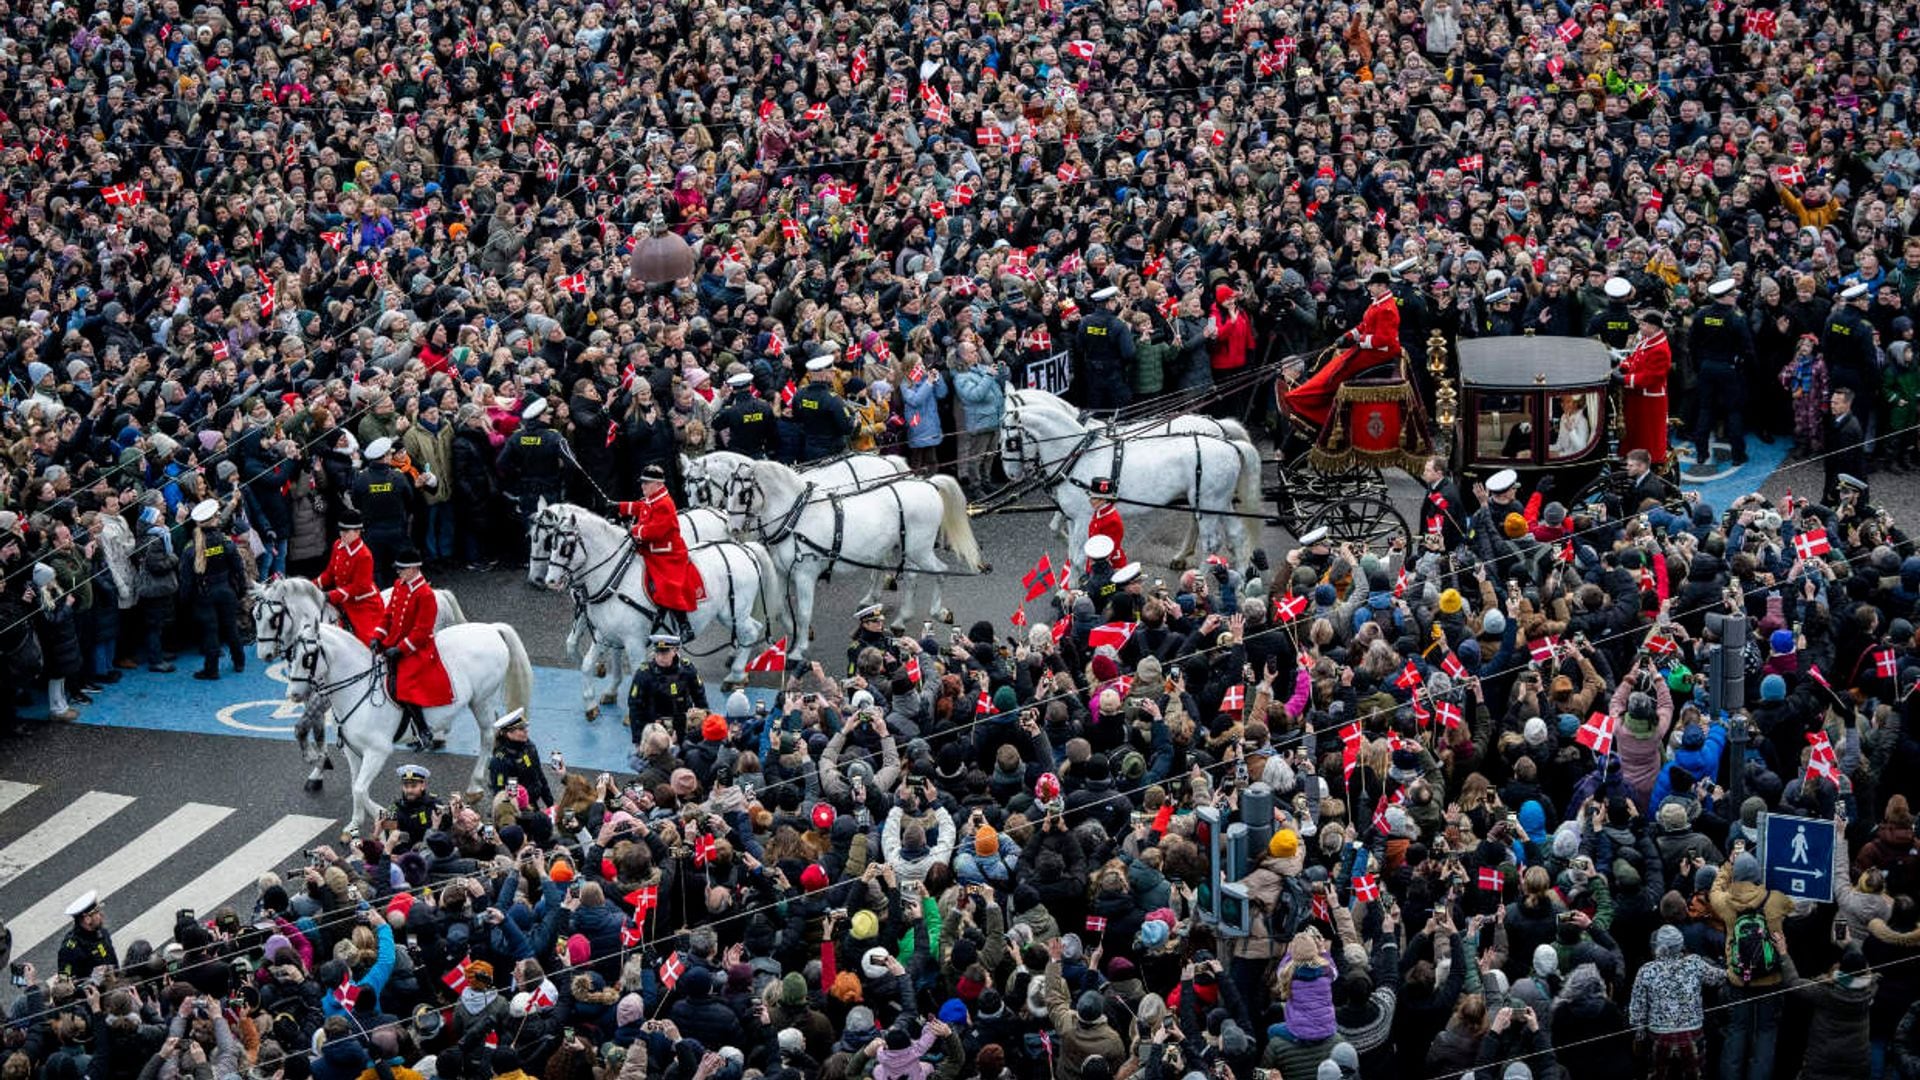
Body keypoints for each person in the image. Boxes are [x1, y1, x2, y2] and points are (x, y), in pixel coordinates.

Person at [1288, 269, 1401, 428]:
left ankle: (1310, 405)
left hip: (1378, 353)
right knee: (1334, 364)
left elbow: (1383, 339)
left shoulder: (1387, 308)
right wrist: (1348, 336)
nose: (1369, 288)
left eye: (1372, 285)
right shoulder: (1378, 302)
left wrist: (1359, 342)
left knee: (1337, 370)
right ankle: (1304, 396)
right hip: (1371, 350)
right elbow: (1364, 326)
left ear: (1382, 286)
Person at [369, 546, 453, 751]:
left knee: (403, 686)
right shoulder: (399, 585)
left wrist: (400, 649)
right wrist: (378, 636)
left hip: (417, 648)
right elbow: (388, 615)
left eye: (402, 569)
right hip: (395, 642)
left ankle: (424, 731)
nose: (398, 573)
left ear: (414, 569)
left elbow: (422, 631)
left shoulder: (425, 594)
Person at [614, 465, 706, 643]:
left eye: (646, 483)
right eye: (643, 483)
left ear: (657, 484)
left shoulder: (665, 504)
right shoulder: (654, 498)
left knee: (667, 585)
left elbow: (655, 532)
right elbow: (643, 507)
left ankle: (684, 625)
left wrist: (633, 530)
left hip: (667, 553)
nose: (643, 486)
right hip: (652, 549)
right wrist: (620, 507)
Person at [1688, 278, 1755, 474]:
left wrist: (1699, 365)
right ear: (1724, 297)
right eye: (1732, 295)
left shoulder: (1701, 315)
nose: (1735, 298)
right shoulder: (1736, 318)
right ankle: (1737, 455)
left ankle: (1701, 453)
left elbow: (1692, 344)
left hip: (1706, 367)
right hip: (1728, 368)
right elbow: (1748, 349)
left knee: (1705, 409)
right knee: (1733, 412)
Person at [182, 499, 247, 682]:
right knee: (231, 627)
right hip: (226, 590)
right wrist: (240, 590)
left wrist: (185, 601)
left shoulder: (191, 548)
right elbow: (238, 569)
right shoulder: (225, 542)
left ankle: (211, 669)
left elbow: (186, 580)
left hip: (204, 595)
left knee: (210, 632)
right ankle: (239, 662)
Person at [495, 397, 566, 542]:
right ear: (539, 417)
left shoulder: (517, 437)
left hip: (527, 488)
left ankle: (530, 560)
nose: (549, 416)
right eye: (546, 414)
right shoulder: (553, 437)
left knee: (530, 526)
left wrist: (518, 474)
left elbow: (501, 463)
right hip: (550, 487)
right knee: (553, 525)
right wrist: (561, 476)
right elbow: (572, 463)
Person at [352, 437, 417, 586]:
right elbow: (410, 500)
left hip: (372, 530)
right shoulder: (398, 477)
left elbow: (356, 502)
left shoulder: (361, 478)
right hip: (397, 529)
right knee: (405, 565)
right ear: (385, 456)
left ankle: (379, 599)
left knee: (375, 569)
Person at [315, 510, 386, 645]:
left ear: (358, 532)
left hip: (361, 603)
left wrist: (331, 595)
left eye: (346, 531)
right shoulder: (338, 545)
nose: (342, 534)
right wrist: (312, 586)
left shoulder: (364, 555)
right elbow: (330, 573)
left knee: (366, 641)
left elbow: (359, 587)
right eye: (341, 530)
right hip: (341, 597)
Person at [627, 633, 708, 741]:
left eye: (665, 652)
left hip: (684, 726)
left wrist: (705, 724)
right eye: (657, 652)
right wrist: (638, 739)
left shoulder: (687, 670)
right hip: (656, 730)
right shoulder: (644, 674)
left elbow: (700, 697)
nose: (660, 657)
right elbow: (635, 707)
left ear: (675, 651)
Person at [1618, 310, 1674, 465]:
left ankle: (1651, 462)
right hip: (1638, 397)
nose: (1640, 327)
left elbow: (1650, 377)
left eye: (1643, 324)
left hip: (1649, 402)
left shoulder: (1660, 350)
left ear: (1653, 327)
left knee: (1647, 435)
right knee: (1636, 432)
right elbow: (1634, 358)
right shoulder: (1646, 340)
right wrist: (1623, 367)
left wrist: (1624, 379)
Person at [1078, 285, 1137, 413]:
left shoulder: (1085, 322)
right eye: (1114, 301)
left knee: (1095, 413)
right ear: (1108, 303)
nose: (1116, 304)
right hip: (1114, 375)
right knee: (1118, 414)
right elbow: (1129, 353)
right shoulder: (1118, 325)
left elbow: (1079, 347)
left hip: (1092, 373)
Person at [792, 355, 856, 461]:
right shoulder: (833, 399)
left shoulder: (800, 394)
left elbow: (797, 419)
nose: (834, 374)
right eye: (831, 372)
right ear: (823, 374)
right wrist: (854, 418)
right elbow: (847, 428)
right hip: (832, 454)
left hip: (809, 450)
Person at [487, 708, 553, 809]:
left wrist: (551, 804)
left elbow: (539, 775)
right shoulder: (500, 761)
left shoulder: (529, 746)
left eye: (525, 727)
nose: (526, 731)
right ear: (509, 733)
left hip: (532, 803)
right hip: (516, 808)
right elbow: (500, 791)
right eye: (521, 729)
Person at [710, 372, 776, 459]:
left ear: (733, 390)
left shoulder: (730, 411)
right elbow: (772, 431)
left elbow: (715, 424)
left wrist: (727, 402)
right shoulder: (764, 406)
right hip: (758, 453)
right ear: (750, 387)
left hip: (737, 456)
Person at [56, 890, 116, 978]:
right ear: (87, 919)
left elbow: (114, 962)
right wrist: (95, 979)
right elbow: (65, 983)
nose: (102, 915)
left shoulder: (102, 932)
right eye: (97, 912)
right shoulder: (70, 949)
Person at [1826, 387, 1868, 504]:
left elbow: (1845, 463)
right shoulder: (1840, 420)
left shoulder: (1848, 430)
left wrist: (1833, 489)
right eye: (1832, 402)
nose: (1832, 406)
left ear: (1847, 404)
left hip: (1844, 482)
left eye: (1836, 403)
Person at [388, 763, 441, 846]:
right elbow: (390, 837)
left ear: (423, 786)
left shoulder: (434, 804)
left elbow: (444, 832)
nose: (409, 790)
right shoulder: (393, 808)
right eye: (406, 786)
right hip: (403, 854)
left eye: (413, 786)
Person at [1086, 477, 1128, 571]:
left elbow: (1109, 551)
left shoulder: (1113, 521)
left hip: (1109, 567)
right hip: (1096, 560)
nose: (1090, 500)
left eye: (1094, 498)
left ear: (1104, 500)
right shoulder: (1100, 512)